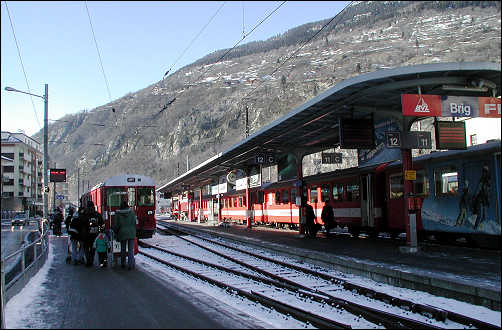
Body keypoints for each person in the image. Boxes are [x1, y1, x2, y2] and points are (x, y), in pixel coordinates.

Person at [113, 200, 137, 270]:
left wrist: (116, 232)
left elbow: (116, 225)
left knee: (123, 249)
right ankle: (130, 264)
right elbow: (134, 223)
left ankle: (123, 263)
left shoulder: (118, 214)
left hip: (122, 233)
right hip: (131, 233)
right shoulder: (132, 213)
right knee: (130, 250)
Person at [82, 201, 104, 267]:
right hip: (95, 234)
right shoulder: (97, 214)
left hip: (86, 234)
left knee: (86, 247)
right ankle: (91, 259)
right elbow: (102, 223)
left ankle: (88, 260)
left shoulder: (84, 214)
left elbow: (82, 223)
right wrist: (101, 231)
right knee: (93, 248)